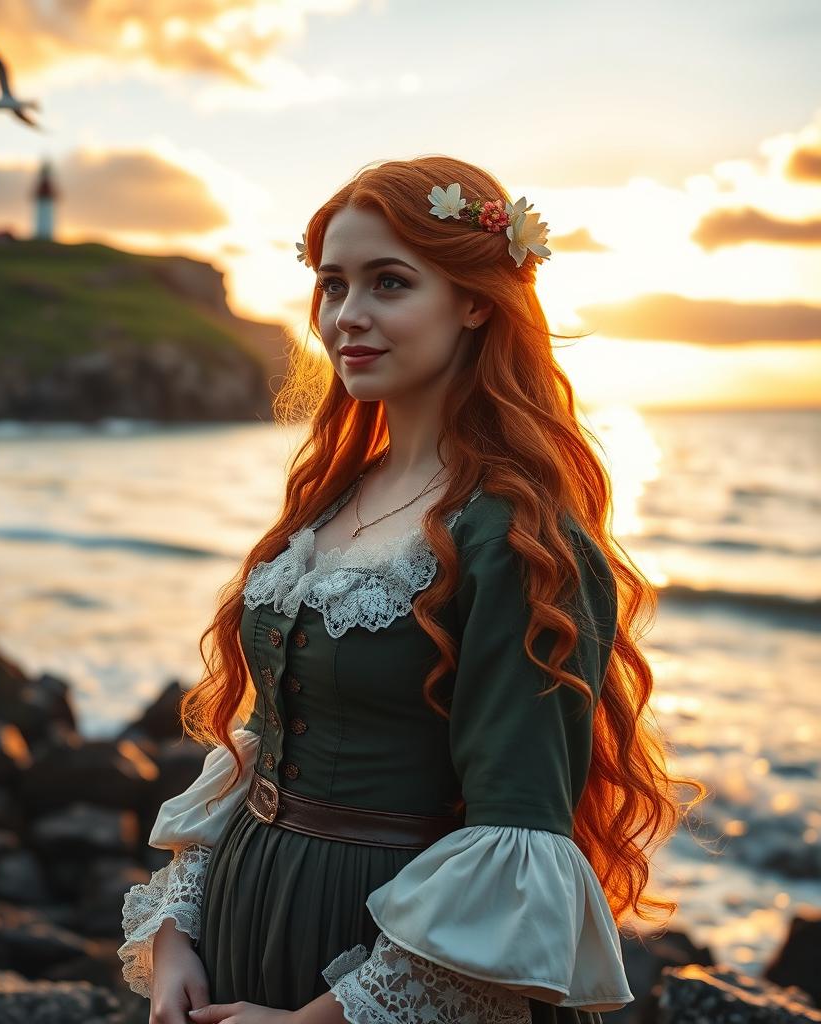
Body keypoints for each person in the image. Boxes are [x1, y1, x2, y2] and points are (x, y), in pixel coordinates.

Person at [118, 155, 705, 1024]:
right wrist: (174, 933)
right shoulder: (331, 501)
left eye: (389, 283)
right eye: (332, 284)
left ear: (475, 300)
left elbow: (517, 835)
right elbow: (264, 740)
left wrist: (321, 1022)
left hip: (383, 960)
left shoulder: (519, 538)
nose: (348, 316)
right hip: (243, 923)